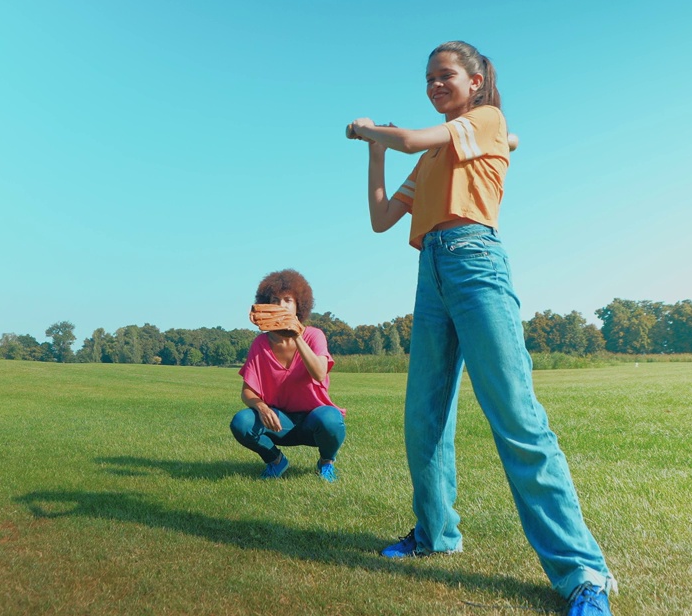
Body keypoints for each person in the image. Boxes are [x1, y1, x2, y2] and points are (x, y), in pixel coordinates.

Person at [346, 41, 616, 615]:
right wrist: (374, 150)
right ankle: (435, 533)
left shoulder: (487, 121)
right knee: (423, 419)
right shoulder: (431, 156)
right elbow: (379, 219)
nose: (434, 84)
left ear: (474, 81)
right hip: (432, 274)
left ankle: (584, 573)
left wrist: (377, 132)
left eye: (445, 75)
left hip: (475, 263)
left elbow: (418, 136)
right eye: (428, 78)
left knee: (517, 419)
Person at [230, 269, 345, 482]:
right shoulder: (261, 344)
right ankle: (276, 461)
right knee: (241, 422)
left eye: (288, 300)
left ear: (298, 306)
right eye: (275, 300)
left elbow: (319, 374)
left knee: (331, 419)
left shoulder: (313, 335)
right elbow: (247, 392)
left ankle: (326, 463)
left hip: (314, 419)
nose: (281, 306)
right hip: (279, 421)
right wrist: (262, 408)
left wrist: (297, 335)